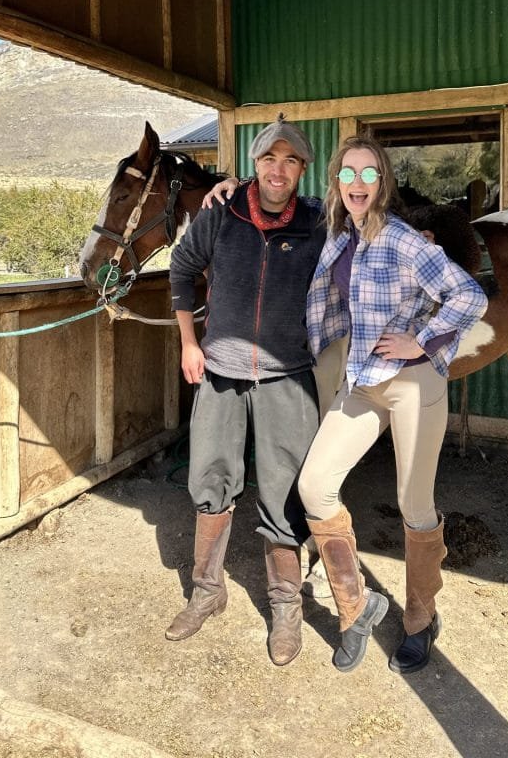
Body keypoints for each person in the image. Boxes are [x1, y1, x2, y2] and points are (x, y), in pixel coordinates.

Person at [298, 137, 488, 674]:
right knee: (315, 486)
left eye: (369, 174)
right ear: (336, 181)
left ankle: (421, 620)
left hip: (412, 383)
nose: (357, 184)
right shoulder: (340, 236)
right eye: (348, 174)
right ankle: (357, 608)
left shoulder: (403, 240)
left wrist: (421, 340)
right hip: (364, 379)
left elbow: (469, 295)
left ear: (382, 182)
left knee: (414, 504)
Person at [166, 115, 326, 666]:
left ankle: (286, 607)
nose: (278, 170)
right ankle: (207, 592)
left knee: (285, 492)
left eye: (290, 161)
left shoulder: (318, 222)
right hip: (220, 370)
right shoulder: (220, 214)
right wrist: (190, 343)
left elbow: (366, 225)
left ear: (302, 170)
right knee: (210, 478)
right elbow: (181, 271)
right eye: (269, 159)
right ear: (254, 165)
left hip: (288, 375)